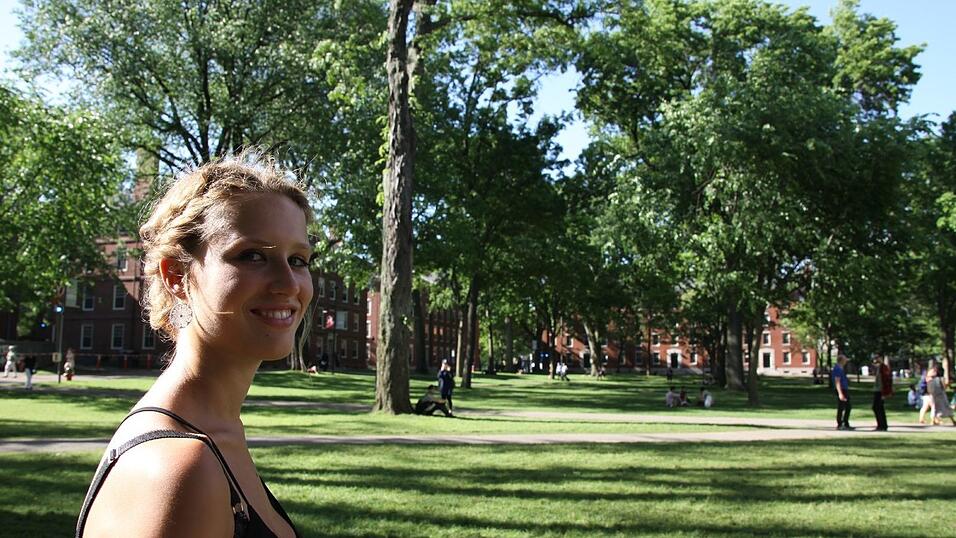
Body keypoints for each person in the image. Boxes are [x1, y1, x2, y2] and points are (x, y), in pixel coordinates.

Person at [75, 154, 305, 537]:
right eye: (252, 256)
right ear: (177, 276)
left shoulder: (218, 428)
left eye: (298, 259)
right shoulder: (179, 466)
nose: (289, 283)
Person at [832, 355, 853, 430]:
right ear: (841, 360)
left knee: (847, 407)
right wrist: (840, 393)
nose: (846, 361)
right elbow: (837, 381)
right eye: (845, 360)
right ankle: (840, 424)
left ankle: (845, 423)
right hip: (842, 389)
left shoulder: (840, 368)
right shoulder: (837, 368)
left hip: (844, 389)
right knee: (842, 407)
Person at [871, 356, 892, 431]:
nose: (875, 360)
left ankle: (882, 425)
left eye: (876, 358)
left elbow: (886, 381)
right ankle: (881, 425)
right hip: (877, 390)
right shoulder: (879, 368)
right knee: (877, 407)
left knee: (878, 407)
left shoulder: (883, 368)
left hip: (880, 391)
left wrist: (885, 393)